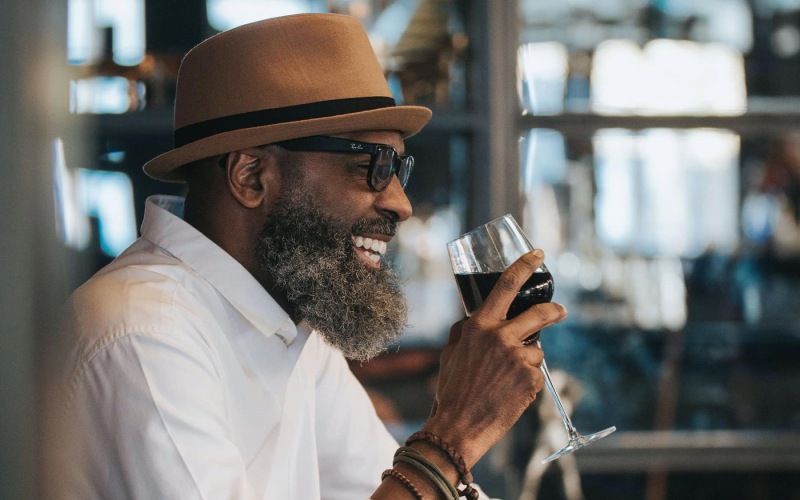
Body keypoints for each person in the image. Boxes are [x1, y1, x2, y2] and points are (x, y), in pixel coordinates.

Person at [48, 13, 567, 500]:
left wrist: (449, 446)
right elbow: (421, 479)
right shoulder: (144, 333)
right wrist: (450, 438)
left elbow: (376, 482)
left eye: (398, 171)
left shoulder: (287, 324)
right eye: (371, 166)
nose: (401, 204)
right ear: (251, 176)